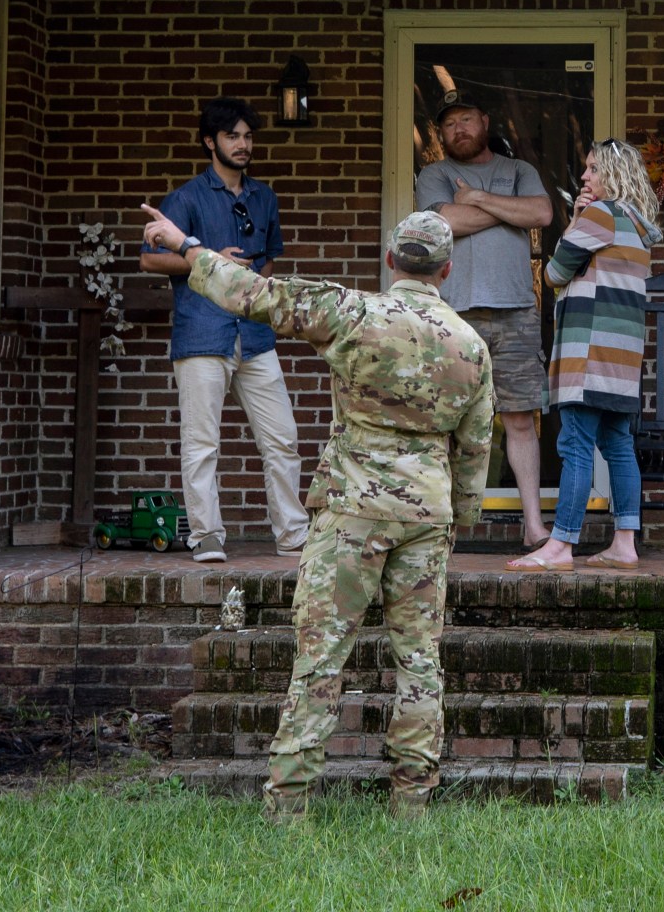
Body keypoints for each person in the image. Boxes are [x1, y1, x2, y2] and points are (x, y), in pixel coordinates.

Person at [139, 204, 494, 825]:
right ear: (446, 270)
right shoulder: (471, 345)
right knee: (419, 661)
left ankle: (290, 805)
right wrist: (460, 516)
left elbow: (254, 294)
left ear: (391, 262)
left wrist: (186, 245)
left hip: (352, 511)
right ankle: (412, 804)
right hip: (426, 516)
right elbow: (475, 449)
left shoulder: (353, 312)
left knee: (321, 659)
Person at [139, 98, 308, 562]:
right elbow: (150, 257)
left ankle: (293, 535)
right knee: (201, 442)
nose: (243, 144)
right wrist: (212, 262)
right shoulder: (185, 197)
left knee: (283, 438)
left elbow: (270, 255)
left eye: (248, 136)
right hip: (202, 333)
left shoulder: (264, 196)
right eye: (233, 136)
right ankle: (206, 536)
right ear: (210, 142)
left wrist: (252, 285)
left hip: (255, 334)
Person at [508, 140, 661, 572]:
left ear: (613, 174)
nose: (586, 176)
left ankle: (560, 545)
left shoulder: (600, 215)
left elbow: (555, 272)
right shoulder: (637, 224)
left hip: (589, 354)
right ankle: (624, 543)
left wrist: (575, 218)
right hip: (622, 361)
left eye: (593, 169)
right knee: (617, 444)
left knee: (574, 444)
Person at [413, 90, 554, 545]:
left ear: (485, 121)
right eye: (450, 124)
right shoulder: (435, 173)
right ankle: (444, 529)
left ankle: (533, 526)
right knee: (448, 421)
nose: (459, 130)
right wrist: (501, 207)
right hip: (454, 314)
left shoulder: (519, 171)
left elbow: (542, 212)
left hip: (516, 312)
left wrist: (477, 198)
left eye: (467, 119)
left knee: (519, 417)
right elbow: (446, 222)